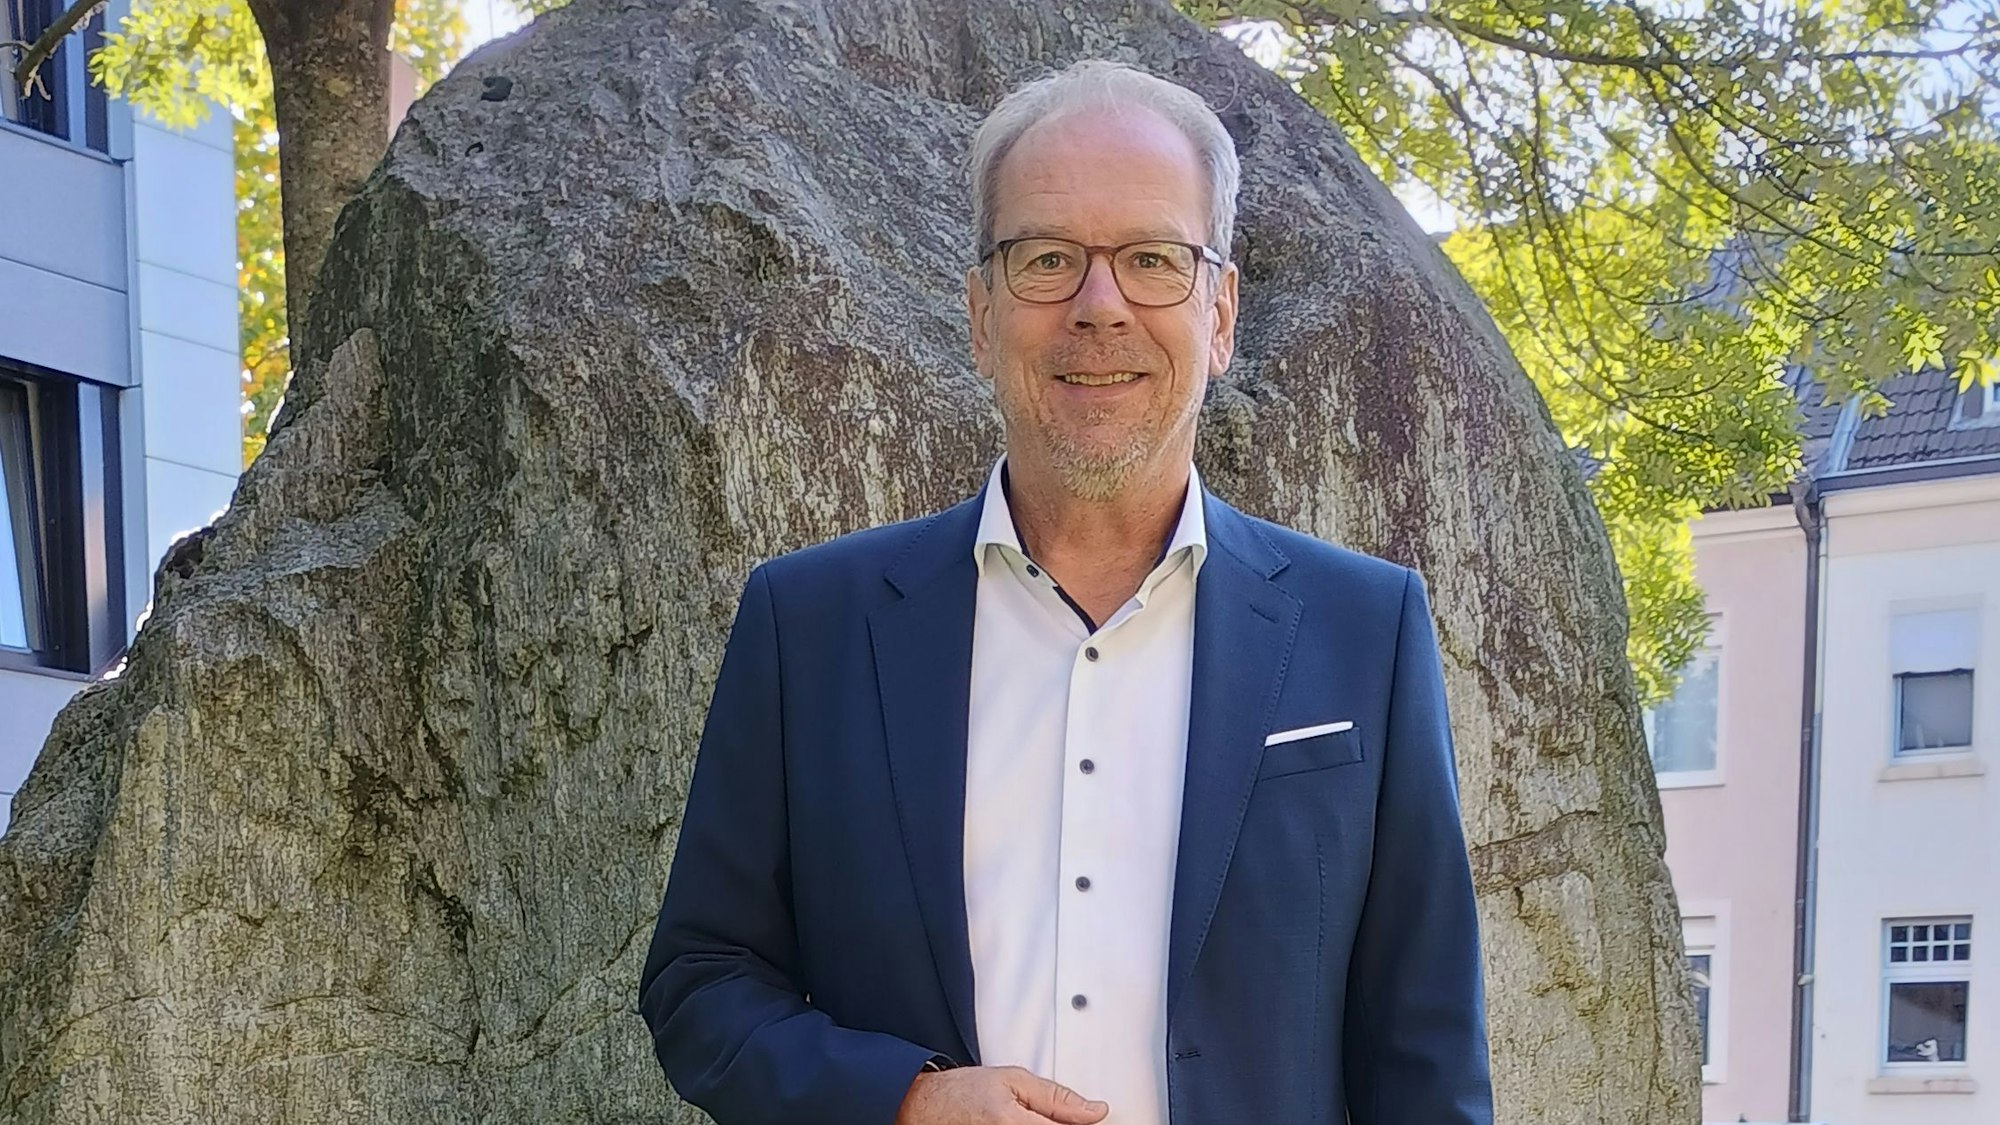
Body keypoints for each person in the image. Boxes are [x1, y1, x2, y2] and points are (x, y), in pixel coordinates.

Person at [638, 59, 1493, 1125]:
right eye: (1047, 259)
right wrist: (903, 1101)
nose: (1100, 308)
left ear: (1219, 313)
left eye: (1150, 259)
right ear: (979, 312)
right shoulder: (807, 625)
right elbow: (702, 984)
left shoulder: (1366, 633)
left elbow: (1425, 1054)